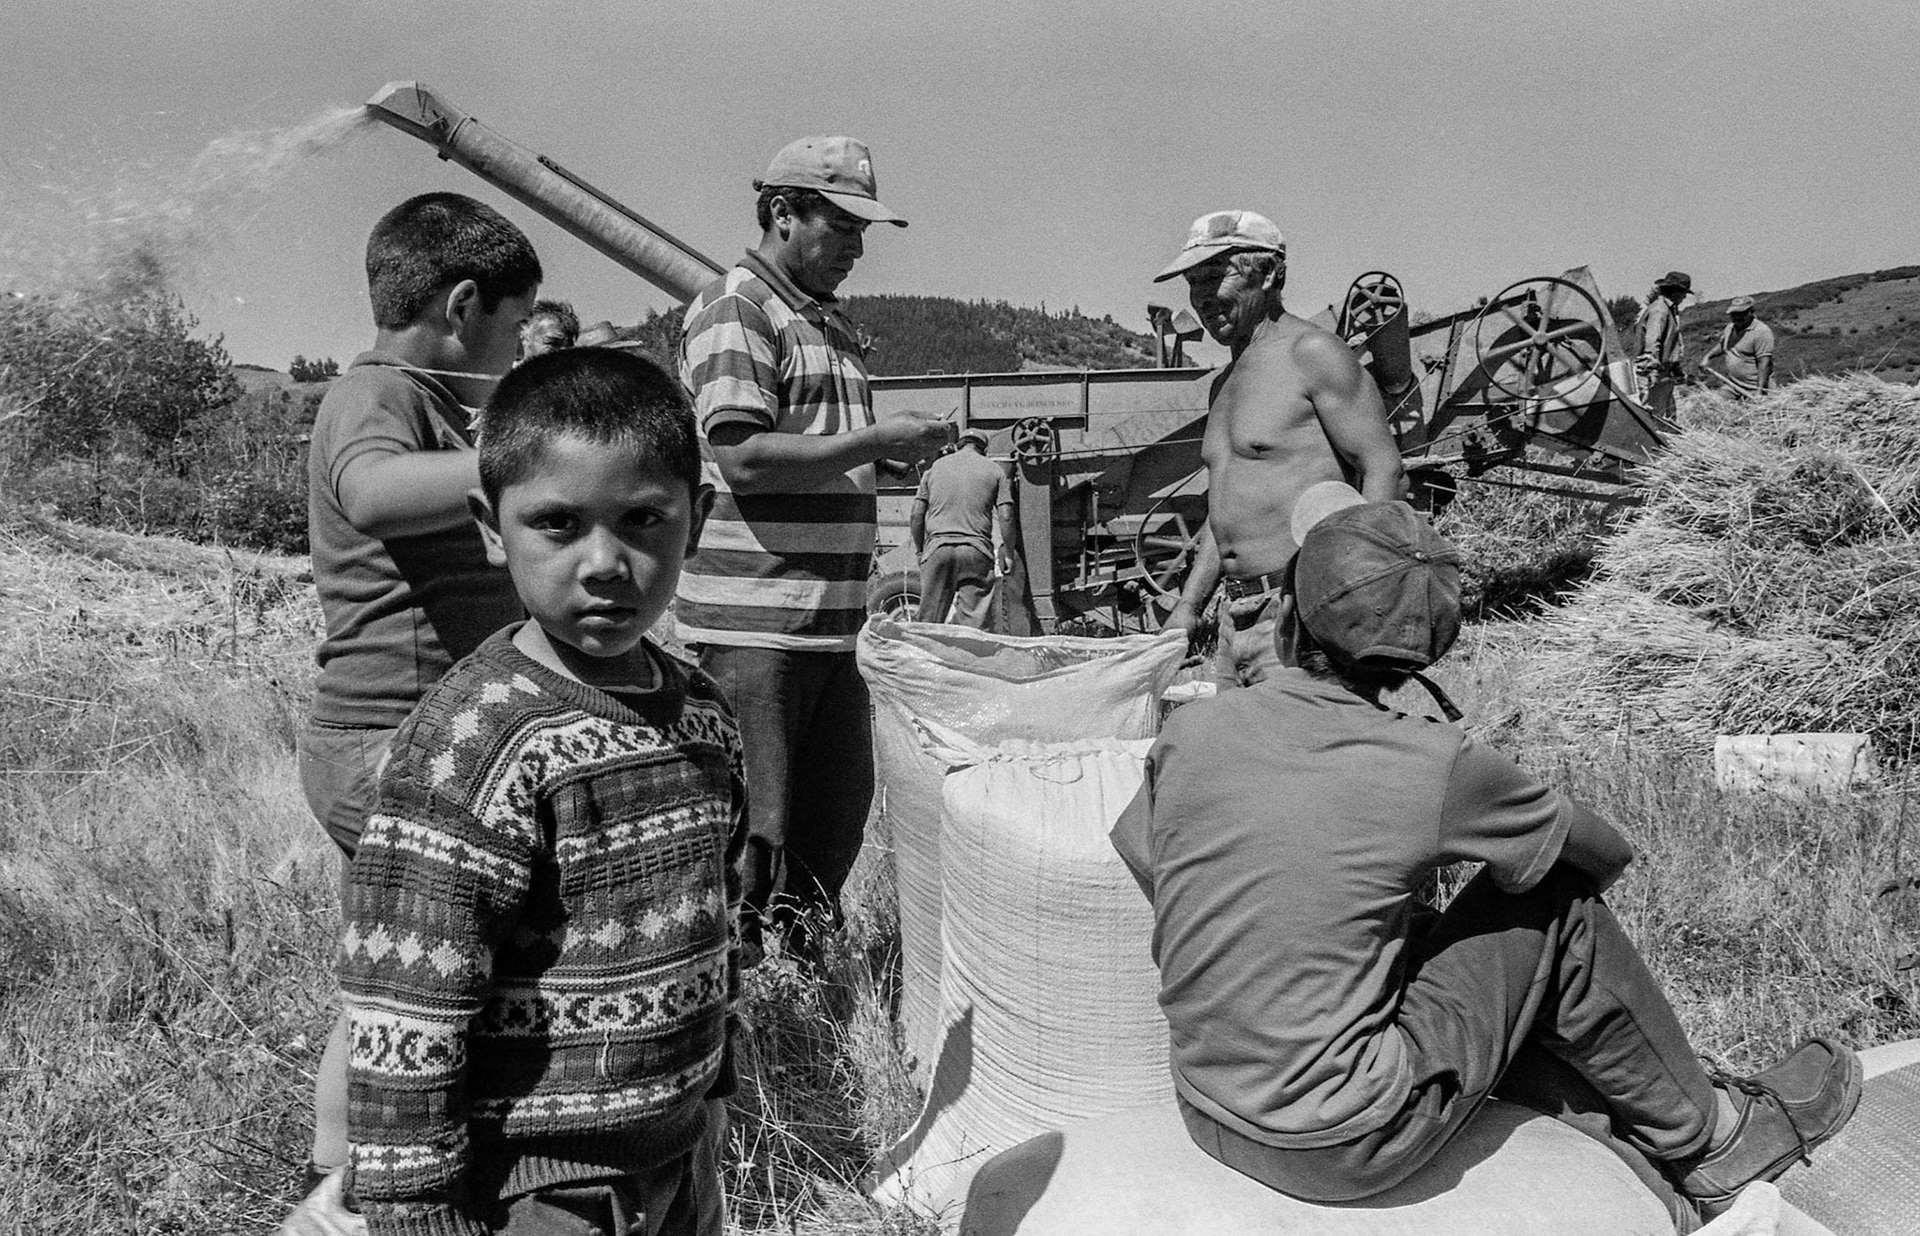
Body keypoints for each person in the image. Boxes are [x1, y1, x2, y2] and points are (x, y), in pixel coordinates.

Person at [1111, 489, 1862, 1226]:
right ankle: (1716, 1138)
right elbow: (1599, 854)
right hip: (1343, 1144)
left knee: (1426, 925)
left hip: (1207, 1103)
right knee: (1552, 899)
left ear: (1282, 615)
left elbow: (1144, 849)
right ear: (1425, 655)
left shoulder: (1196, 730)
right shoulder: (1436, 763)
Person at [339, 348, 742, 1235]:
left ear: (698, 518)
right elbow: (405, 1009)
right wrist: (416, 1213)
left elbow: (716, 921)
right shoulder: (473, 742)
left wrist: (717, 1086)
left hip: (679, 1157)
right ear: (492, 527)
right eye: (558, 524)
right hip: (539, 1192)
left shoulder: (705, 717)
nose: (605, 561)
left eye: (642, 519)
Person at [286, 191, 540, 1230]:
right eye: (516, 327)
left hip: (398, 741)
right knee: (472, 969)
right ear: (465, 304)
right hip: (391, 743)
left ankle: (331, 1182)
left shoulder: (426, 403)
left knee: (393, 978)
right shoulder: (376, 394)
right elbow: (375, 493)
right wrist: (539, 461)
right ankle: (408, 1185)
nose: (519, 346)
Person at [675, 135, 950, 961]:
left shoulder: (819, 319)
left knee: (830, 825)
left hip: (826, 624)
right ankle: (736, 1012)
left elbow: (817, 444)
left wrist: (882, 450)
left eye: (865, 232)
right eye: (842, 227)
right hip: (757, 628)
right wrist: (872, 443)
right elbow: (744, 457)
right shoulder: (739, 311)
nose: (858, 249)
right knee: (754, 835)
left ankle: (803, 989)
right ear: (780, 214)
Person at [1152, 210, 1406, 689]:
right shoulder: (1224, 384)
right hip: (1234, 622)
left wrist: (1344, 594)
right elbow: (1225, 506)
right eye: (1192, 283)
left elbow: (1383, 468)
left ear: (1269, 274)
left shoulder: (1312, 354)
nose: (1202, 298)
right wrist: (1188, 607)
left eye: (1216, 276)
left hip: (1298, 617)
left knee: (1305, 757)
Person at [911, 427, 1015, 626]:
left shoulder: (934, 469)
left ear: (959, 445)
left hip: (938, 550)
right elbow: (1006, 516)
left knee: (927, 623)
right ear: (983, 449)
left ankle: (923, 655)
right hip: (976, 552)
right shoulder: (994, 471)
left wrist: (920, 550)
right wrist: (1008, 553)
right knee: (973, 627)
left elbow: (916, 513)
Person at [1636, 270, 1693, 419]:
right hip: (1654, 374)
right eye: (1683, 292)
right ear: (1674, 291)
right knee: (1653, 418)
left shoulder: (1669, 310)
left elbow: (1669, 344)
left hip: (1664, 373)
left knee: (1666, 417)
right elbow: (1652, 342)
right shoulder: (1659, 310)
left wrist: (1675, 367)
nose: (1685, 296)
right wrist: (1652, 372)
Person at [1700, 295, 1775, 398]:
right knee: (1713, 405)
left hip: (1754, 387)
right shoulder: (1730, 328)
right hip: (1733, 385)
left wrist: (1760, 392)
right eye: (1734, 314)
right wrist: (1707, 357)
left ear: (1751, 311)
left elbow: (1764, 363)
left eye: (1741, 314)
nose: (1737, 317)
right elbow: (1723, 345)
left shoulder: (1761, 332)